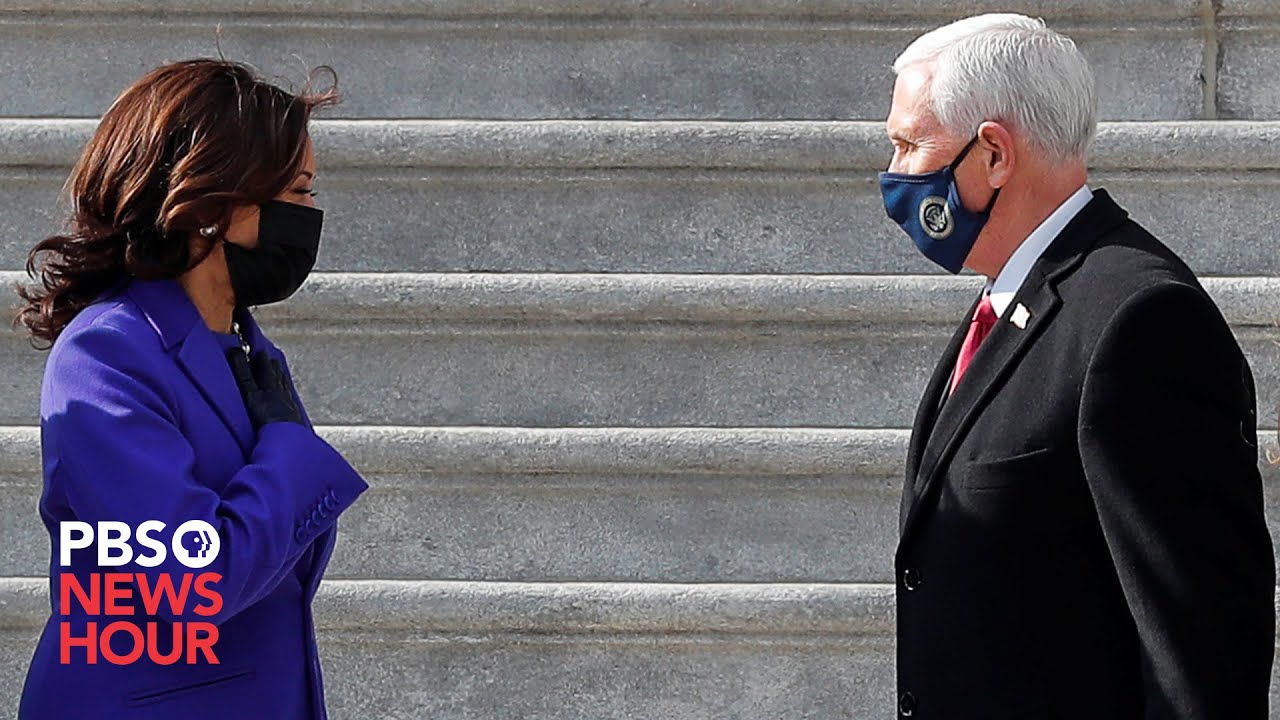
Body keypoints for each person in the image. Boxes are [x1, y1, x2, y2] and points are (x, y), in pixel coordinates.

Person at [880, 14, 1275, 719]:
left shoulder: (1139, 321)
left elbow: (1200, 659)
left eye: (910, 146)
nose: (896, 175)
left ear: (994, 154)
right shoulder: (1016, 297)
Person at [16, 59, 368, 719]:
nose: (310, 216)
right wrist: (289, 448)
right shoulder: (107, 355)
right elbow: (191, 583)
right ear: (209, 203)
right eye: (295, 192)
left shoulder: (246, 351)